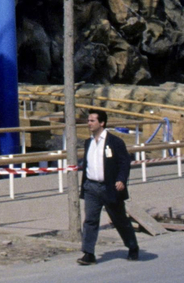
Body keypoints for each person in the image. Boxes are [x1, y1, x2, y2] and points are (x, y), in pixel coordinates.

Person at [78, 108, 139, 265]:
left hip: (110, 187)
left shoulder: (114, 142)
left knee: (119, 219)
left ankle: (132, 246)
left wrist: (121, 179)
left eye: (92, 121)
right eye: (88, 120)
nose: (89, 123)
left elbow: (124, 163)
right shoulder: (88, 142)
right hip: (91, 187)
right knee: (90, 220)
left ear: (102, 123)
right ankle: (88, 253)